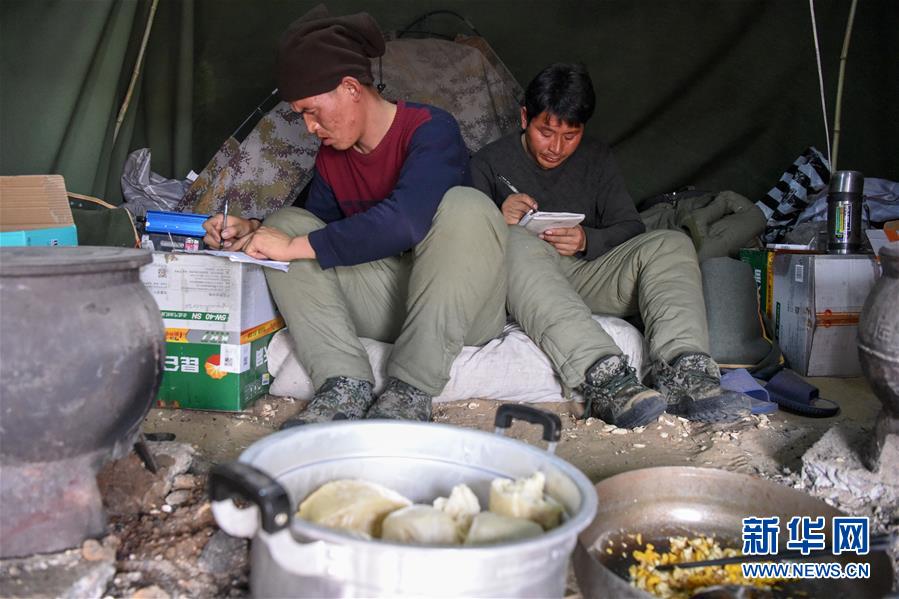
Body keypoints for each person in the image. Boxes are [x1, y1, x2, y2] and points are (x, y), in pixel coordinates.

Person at [202, 12, 507, 424]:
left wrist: (292, 245)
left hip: (459, 310)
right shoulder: (332, 157)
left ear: (350, 88)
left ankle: (410, 389)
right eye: (301, 116)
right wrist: (256, 230)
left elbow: (404, 222)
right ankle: (344, 383)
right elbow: (313, 233)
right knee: (288, 221)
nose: (310, 127)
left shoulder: (431, 130)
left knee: (466, 205)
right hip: (390, 304)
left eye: (312, 111)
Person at [470, 63, 750, 429]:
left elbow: (630, 225)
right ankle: (608, 382)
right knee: (516, 240)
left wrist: (588, 239)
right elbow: (461, 247)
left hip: (585, 274)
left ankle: (687, 376)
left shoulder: (596, 158)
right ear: (525, 118)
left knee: (671, 243)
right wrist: (495, 219)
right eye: (545, 132)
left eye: (570, 136)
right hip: (522, 284)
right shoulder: (488, 163)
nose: (556, 147)